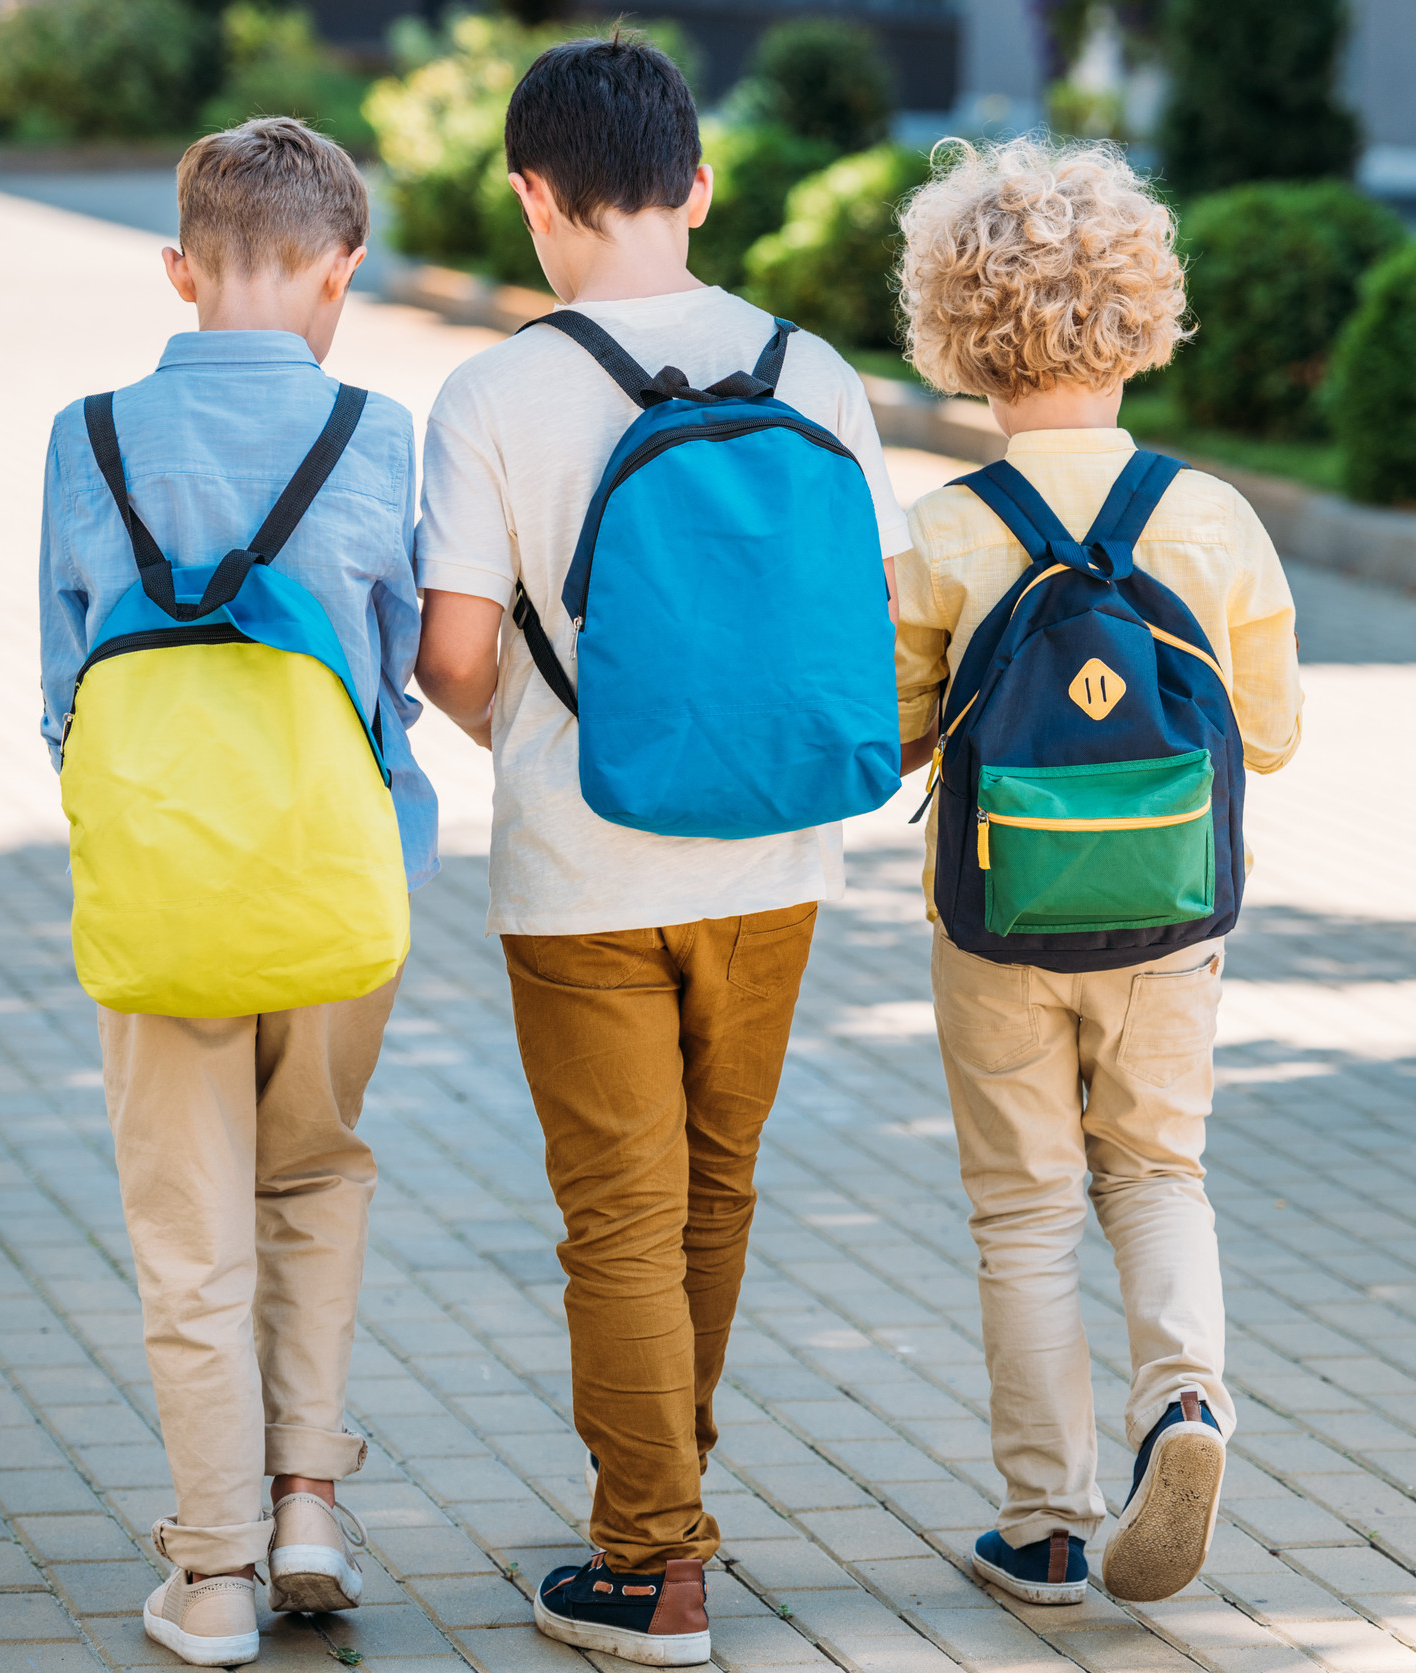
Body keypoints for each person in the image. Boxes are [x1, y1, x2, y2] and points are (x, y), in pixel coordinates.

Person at [410, 30, 912, 1668]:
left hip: (581, 865)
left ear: (532, 197)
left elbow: (453, 655)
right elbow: (873, 617)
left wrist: (532, 738)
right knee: (714, 1187)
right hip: (779, 861)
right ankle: (665, 1494)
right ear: (699, 185)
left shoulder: (492, 394)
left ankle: (652, 1560)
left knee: (618, 1215)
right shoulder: (813, 371)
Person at [36, 117, 435, 1666]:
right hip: (338, 885)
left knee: (187, 1227)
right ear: (343, 270)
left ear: (177, 267)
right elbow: (395, 675)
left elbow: (65, 694)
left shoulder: (88, 437)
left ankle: (211, 1575)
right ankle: (309, 1505)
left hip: (161, 897)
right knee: (314, 1176)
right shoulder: (375, 433)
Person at [888, 137, 1304, 1606]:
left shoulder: (945, 529)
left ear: (957, 330)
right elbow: (1270, 734)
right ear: (1143, 315)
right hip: (1170, 920)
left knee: (1023, 1212)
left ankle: (1048, 1525)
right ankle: (1183, 1401)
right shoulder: (1214, 517)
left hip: (998, 922)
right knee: (1158, 1170)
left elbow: (897, 729)